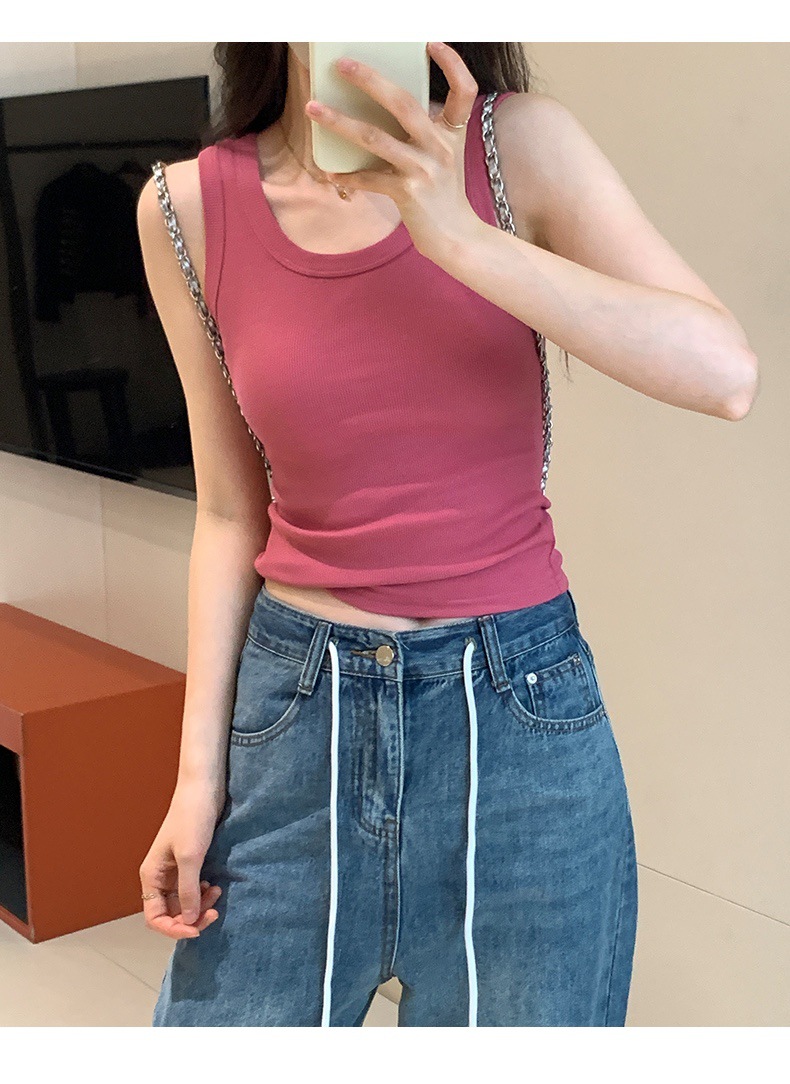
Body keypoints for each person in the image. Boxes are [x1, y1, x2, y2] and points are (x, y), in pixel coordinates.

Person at [136, 42, 758, 1027]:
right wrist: (195, 781)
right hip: (296, 720)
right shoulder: (185, 207)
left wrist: (458, 235)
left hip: (516, 719)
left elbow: (724, 375)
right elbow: (227, 511)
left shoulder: (519, 148)